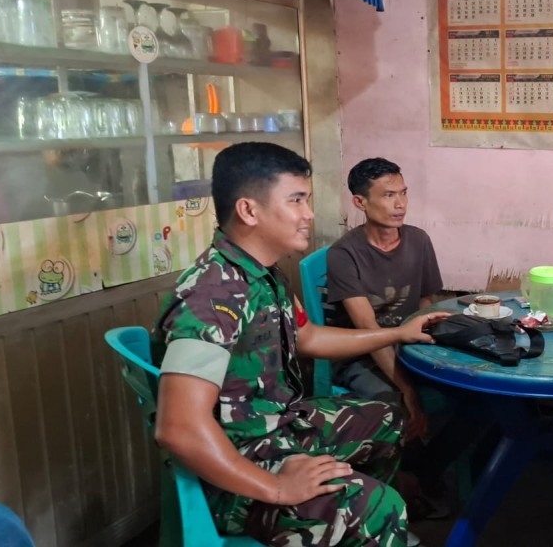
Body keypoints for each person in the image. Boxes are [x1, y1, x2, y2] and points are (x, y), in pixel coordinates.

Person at [151, 142, 448, 546]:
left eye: (307, 200)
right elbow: (179, 428)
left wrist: (396, 333)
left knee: (388, 417)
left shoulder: (262, 274)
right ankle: (362, 518)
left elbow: (307, 337)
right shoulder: (211, 296)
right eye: (296, 201)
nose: (309, 214)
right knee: (382, 506)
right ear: (249, 210)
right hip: (239, 467)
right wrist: (278, 489)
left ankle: (353, 529)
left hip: (278, 427)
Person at [325, 157, 442, 442]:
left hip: (408, 347)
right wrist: (407, 389)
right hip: (361, 355)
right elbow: (368, 327)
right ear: (359, 202)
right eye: (389, 195)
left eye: (403, 193)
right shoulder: (344, 254)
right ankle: (398, 475)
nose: (400, 204)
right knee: (395, 405)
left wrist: (422, 356)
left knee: (464, 394)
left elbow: (428, 301)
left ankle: (432, 469)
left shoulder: (419, 241)